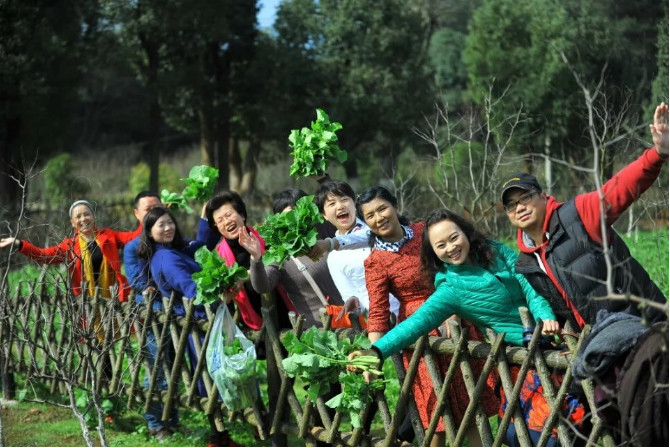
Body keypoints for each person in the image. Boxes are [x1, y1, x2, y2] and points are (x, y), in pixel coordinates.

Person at [350, 208, 587, 445]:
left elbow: (527, 284)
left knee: (591, 412)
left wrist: (544, 316)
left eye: (454, 238)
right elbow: (415, 323)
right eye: (440, 245)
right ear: (432, 252)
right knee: (543, 433)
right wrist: (376, 352)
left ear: (465, 232)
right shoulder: (450, 288)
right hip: (521, 357)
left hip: (560, 334)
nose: (451, 248)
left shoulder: (494, 250)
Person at [500, 102, 668, 330]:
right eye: (511, 205)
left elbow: (620, 188)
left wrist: (657, 154)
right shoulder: (527, 263)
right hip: (596, 344)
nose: (519, 207)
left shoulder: (577, 215)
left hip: (644, 323)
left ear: (543, 195)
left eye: (525, 198)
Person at [353, 186, 499, 447]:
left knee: (472, 402)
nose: (379, 218)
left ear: (395, 206)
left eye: (383, 208)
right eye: (370, 216)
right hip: (420, 331)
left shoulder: (424, 232)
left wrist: (456, 307)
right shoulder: (375, 261)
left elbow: (457, 258)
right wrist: (372, 356)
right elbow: (378, 313)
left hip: (458, 315)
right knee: (435, 411)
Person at [136, 206, 240, 447]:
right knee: (211, 379)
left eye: (170, 222)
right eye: (160, 225)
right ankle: (218, 436)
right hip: (199, 325)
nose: (167, 227)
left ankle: (221, 435)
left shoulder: (174, 250)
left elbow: (200, 244)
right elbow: (191, 290)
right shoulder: (166, 258)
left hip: (202, 323)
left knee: (213, 378)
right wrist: (221, 295)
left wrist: (205, 217)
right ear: (150, 233)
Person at [123, 191, 182, 441]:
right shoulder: (134, 246)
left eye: (157, 208)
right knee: (156, 366)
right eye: (147, 209)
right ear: (137, 214)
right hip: (152, 314)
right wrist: (154, 287)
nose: (153, 212)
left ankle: (172, 421)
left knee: (176, 365)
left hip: (176, 311)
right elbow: (136, 279)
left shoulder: (170, 239)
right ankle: (156, 424)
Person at [240, 188, 343, 329]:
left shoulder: (327, 230)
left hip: (359, 316)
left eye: (299, 211)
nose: (295, 218)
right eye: (288, 215)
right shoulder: (280, 253)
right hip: (322, 331)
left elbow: (339, 202)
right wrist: (256, 258)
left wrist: (322, 178)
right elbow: (262, 286)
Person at [0, 199, 140, 302]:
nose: (83, 219)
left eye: (87, 214)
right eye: (78, 217)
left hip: (116, 300)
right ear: (72, 222)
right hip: (87, 304)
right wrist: (18, 244)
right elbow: (44, 256)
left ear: (93, 216)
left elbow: (135, 237)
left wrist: (147, 218)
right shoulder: (70, 246)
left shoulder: (109, 236)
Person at [312, 180, 400, 319]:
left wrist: (331, 243)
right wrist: (354, 304)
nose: (340, 206)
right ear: (324, 215)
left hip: (413, 307)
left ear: (354, 203)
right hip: (383, 320)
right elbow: (350, 298)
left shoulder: (377, 225)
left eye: (344, 199)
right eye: (332, 203)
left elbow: (368, 235)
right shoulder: (334, 257)